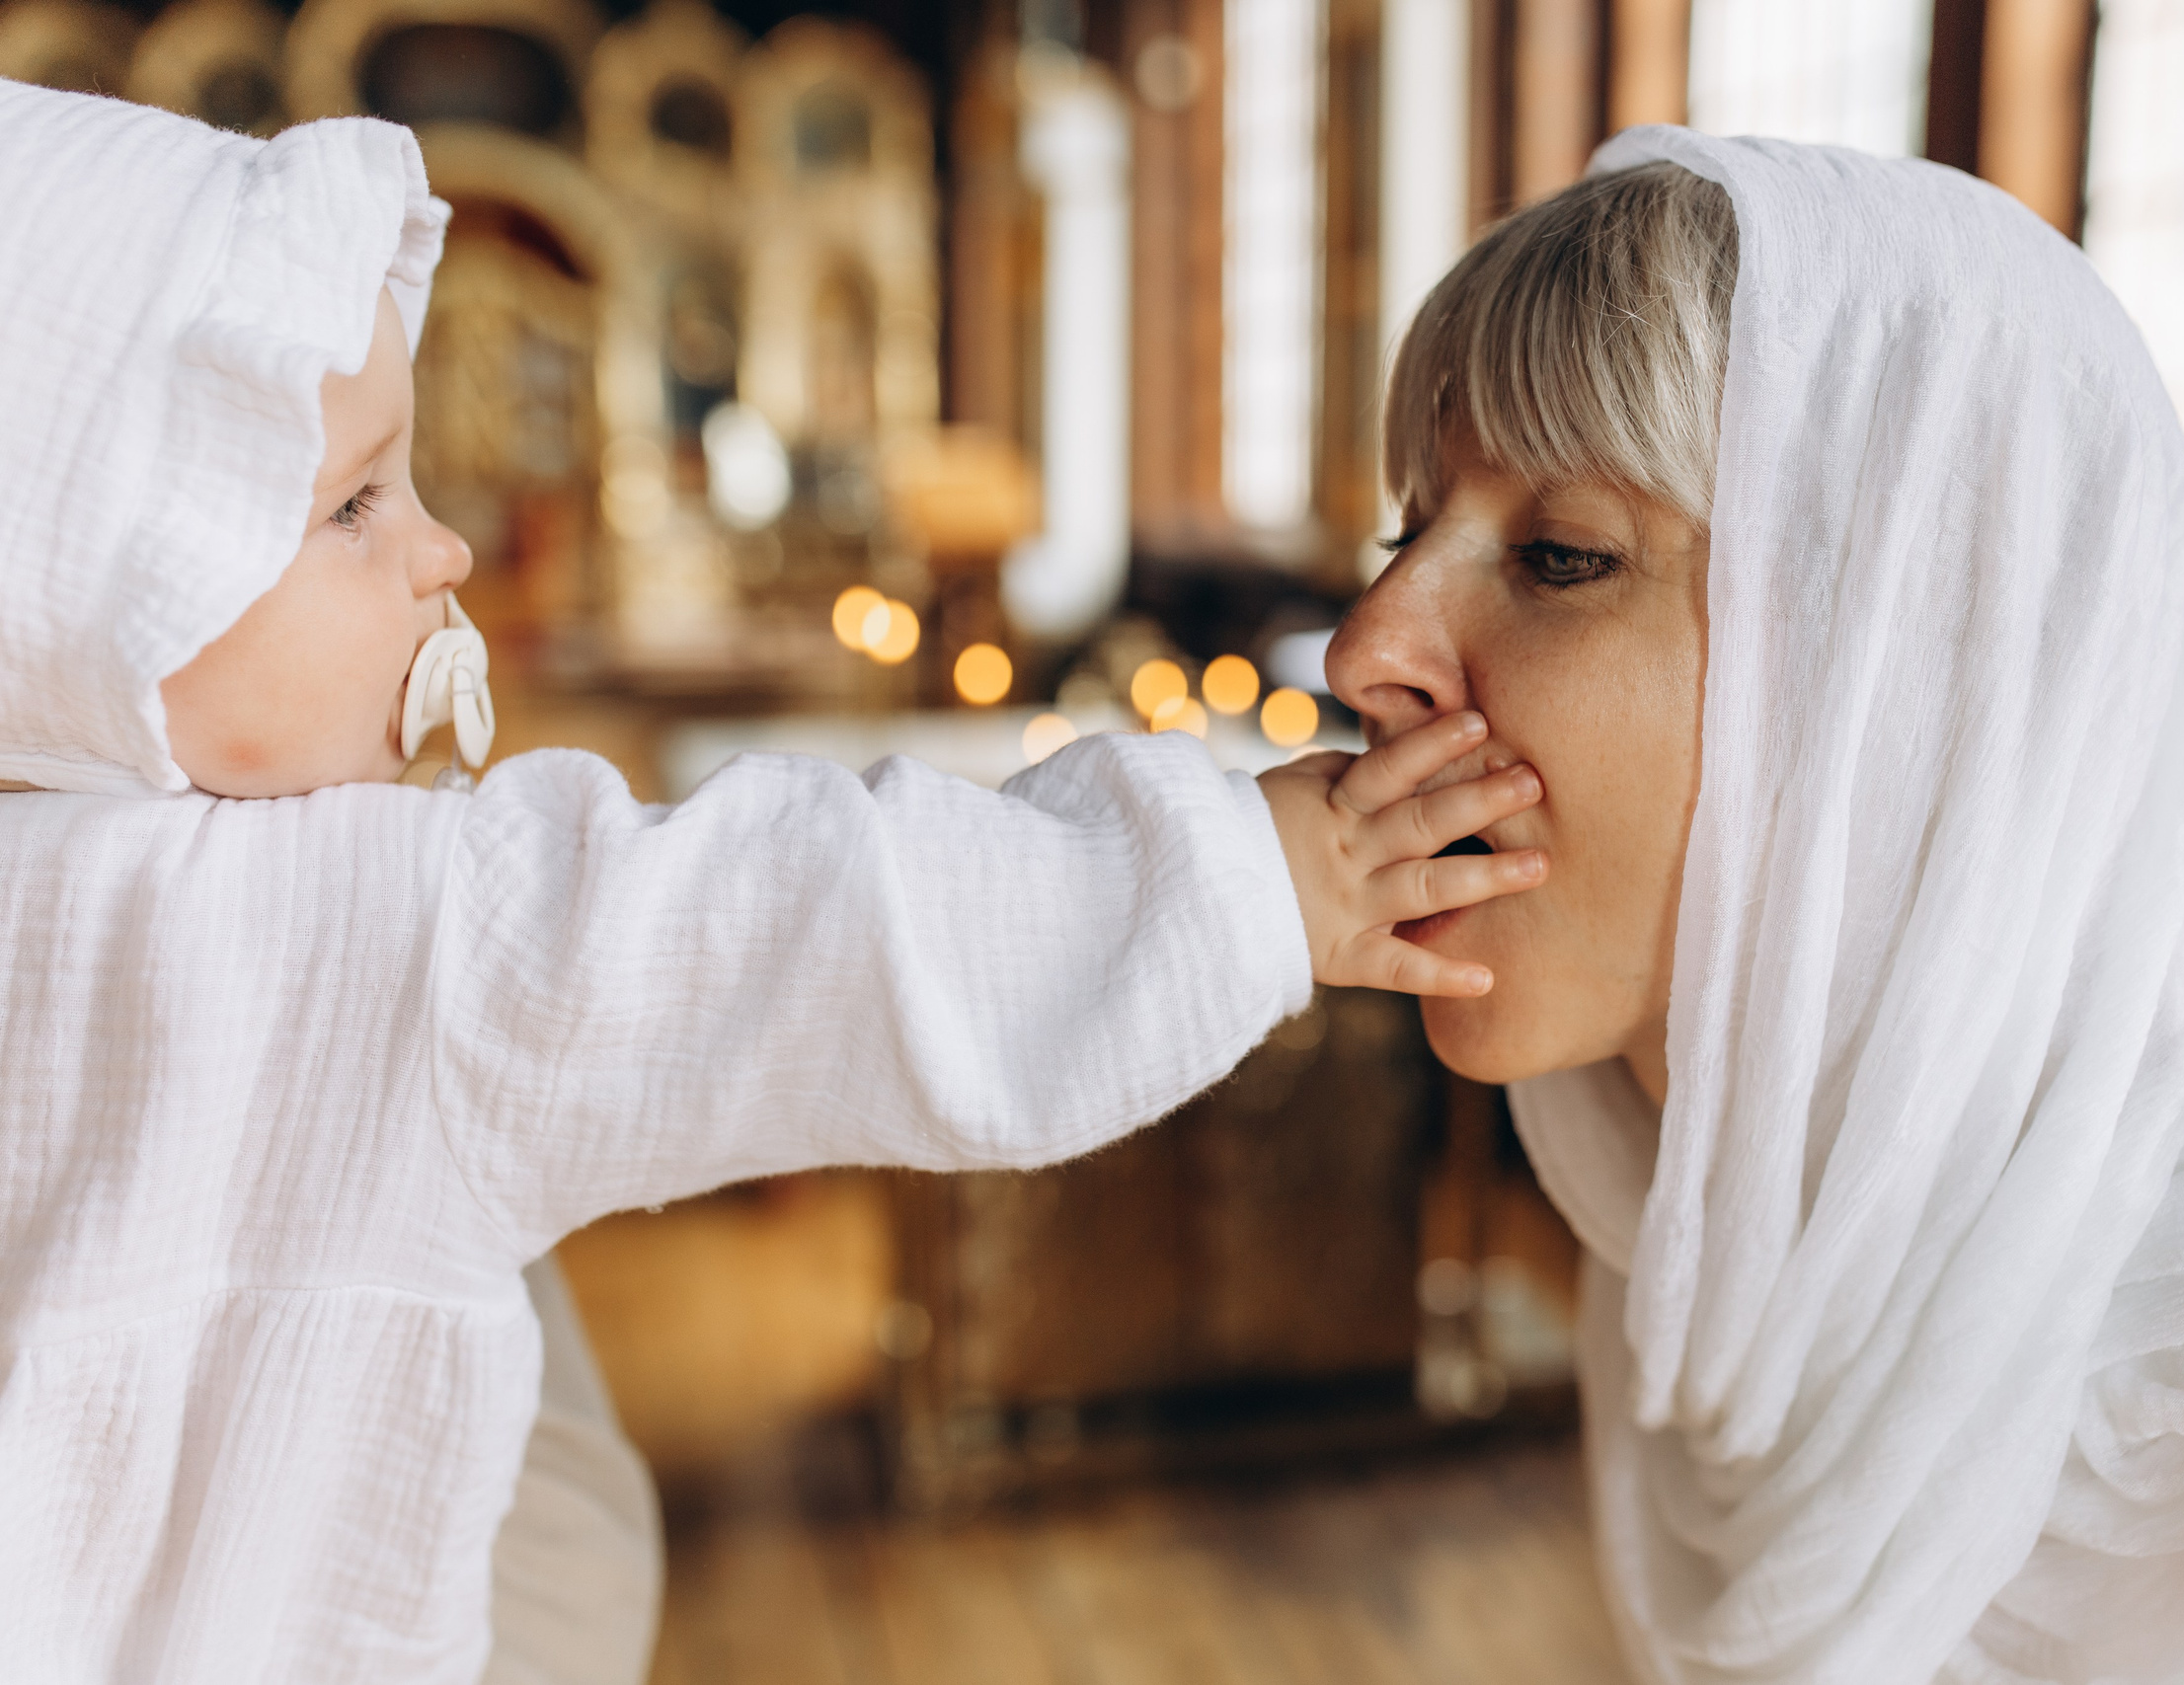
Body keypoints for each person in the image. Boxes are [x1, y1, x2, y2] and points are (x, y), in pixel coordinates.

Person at [0, 82, 1553, 1682]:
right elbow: (814, 933)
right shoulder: (370, 929)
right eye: (352, 502)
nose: (439, 549)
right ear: (99, 601)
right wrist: (1259, 866)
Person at [1334, 128, 2184, 1685]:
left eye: (1561, 554)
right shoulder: (1725, 1202)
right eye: (1404, 533)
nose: (1370, 645)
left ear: (1903, 678)